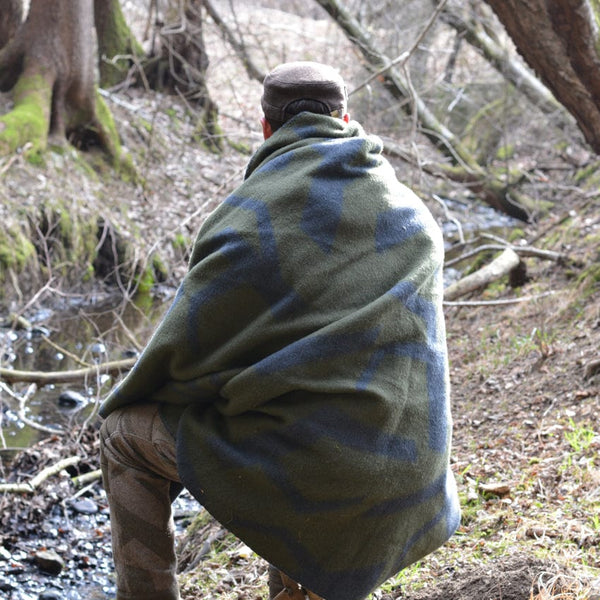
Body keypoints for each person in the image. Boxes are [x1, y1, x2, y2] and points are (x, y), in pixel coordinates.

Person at [99, 61, 460, 600]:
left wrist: (132, 397)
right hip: (409, 485)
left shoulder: (244, 219)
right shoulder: (414, 217)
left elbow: (179, 358)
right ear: (344, 118)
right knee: (290, 410)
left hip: (313, 476)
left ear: (265, 127)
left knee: (123, 434)